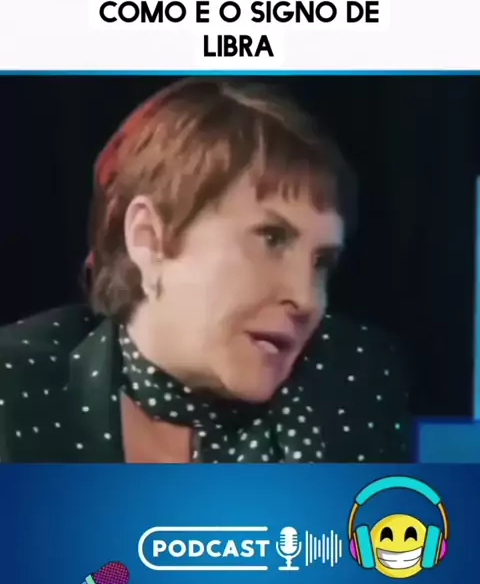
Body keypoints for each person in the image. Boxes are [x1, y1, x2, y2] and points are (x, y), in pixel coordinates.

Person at [0, 77, 413, 463]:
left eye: (321, 262)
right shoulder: (17, 388)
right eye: (271, 239)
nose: (306, 299)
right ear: (149, 238)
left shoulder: (355, 384)